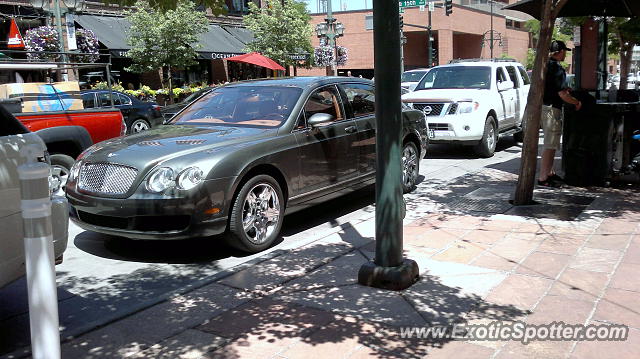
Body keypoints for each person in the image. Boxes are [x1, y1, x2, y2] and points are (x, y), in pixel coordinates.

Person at [538, 40, 582, 187]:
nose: (565, 54)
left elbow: (555, 88)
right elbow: (562, 94)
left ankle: (549, 173)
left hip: (543, 107)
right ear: (560, 52)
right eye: (564, 51)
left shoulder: (544, 65)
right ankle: (544, 177)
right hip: (551, 109)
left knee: (551, 143)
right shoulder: (557, 68)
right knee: (550, 144)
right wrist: (576, 102)